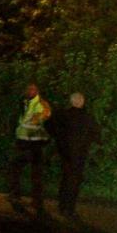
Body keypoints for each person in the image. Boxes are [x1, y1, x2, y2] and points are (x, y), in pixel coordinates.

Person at [50, 92, 101, 221]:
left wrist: (59, 141)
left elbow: (50, 127)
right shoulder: (87, 118)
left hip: (65, 153)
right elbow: (97, 135)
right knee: (75, 181)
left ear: (71, 102)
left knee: (65, 178)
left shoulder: (62, 115)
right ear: (82, 102)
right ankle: (70, 209)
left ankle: (62, 206)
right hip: (79, 155)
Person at [8, 83, 52, 218]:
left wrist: (34, 120)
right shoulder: (24, 102)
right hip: (22, 141)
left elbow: (45, 115)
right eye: (28, 89)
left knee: (36, 174)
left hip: (35, 143)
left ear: (37, 91)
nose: (29, 91)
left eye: (32, 89)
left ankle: (37, 201)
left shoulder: (42, 104)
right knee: (15, 169)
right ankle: (15, 195)